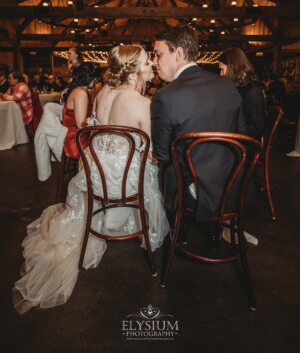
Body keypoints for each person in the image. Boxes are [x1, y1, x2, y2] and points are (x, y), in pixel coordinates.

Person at [13, 44, 169, 313]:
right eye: (146, 63)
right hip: (123, 181)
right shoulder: (144, 103)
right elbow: (153, 150)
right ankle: (132, 220)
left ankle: (109, 217)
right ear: (132, 74)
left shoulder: (102, 93)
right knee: (156, 168)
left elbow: (94, 130)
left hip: (96, 175)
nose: (152, 66)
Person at [151, 25, 247, 244]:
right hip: (234, 185)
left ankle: (178, 230)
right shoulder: (228, 85)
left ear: (179, 54)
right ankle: (214, 227)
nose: (155, 62)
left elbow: (163, 155)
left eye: (158, 55)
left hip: (194, 191)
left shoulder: (165, 96)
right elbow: (244, 136)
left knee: (166, 169)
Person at [218, 47, 266, 141]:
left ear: (233, 68)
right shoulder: (236, 87)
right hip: (234, 140)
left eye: (222, 70)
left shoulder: (252, 91)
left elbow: (258, 129)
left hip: (244, 146)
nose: (220, 74)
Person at [61, 62, 95, 160]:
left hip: (76, 135)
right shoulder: (80, 93)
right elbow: (81, 125)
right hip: (76, 139)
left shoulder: (77, 90)